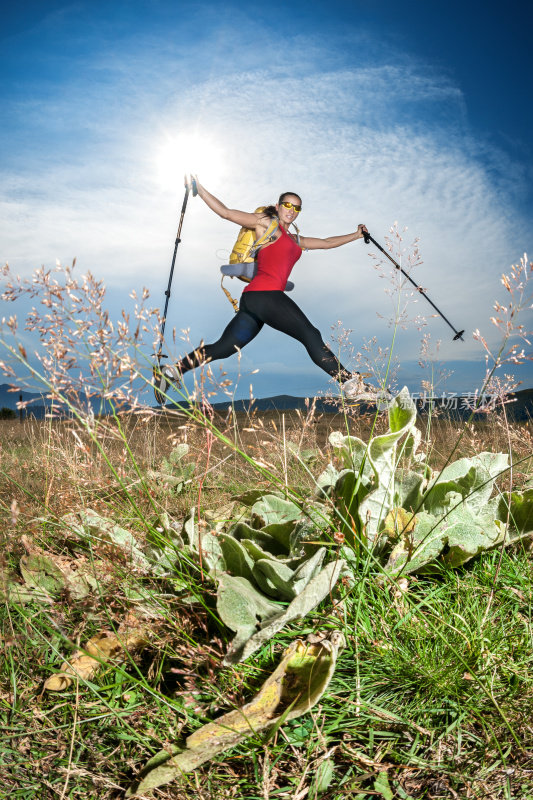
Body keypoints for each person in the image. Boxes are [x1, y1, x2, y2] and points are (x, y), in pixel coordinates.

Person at [154, 178, 383, 402]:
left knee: (224, 348)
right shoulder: (266, 225)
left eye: (297, 207)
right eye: (287, 205)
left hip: (254, 302)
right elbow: (226, 212)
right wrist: (199, 188)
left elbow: (326, 242)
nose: (291, 210)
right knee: (310, 334)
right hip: (265, 295)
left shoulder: (295, 239)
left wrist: (356, 235)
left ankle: (172, 372)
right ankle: (351, 385)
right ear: (278, 206)